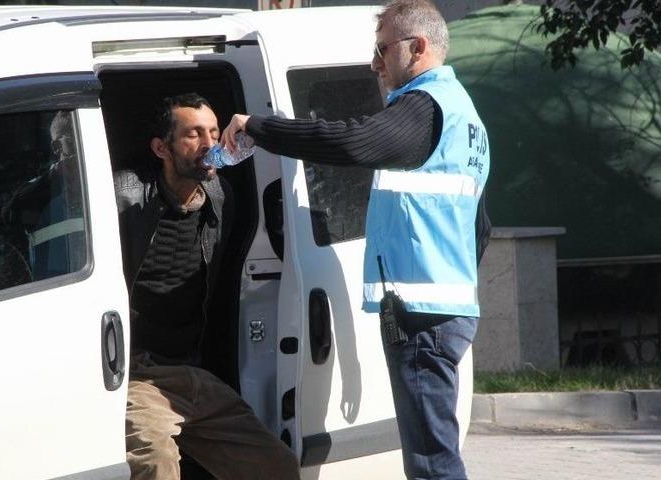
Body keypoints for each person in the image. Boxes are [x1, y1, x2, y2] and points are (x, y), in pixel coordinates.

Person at [220, 1, 490, 478]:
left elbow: (351, 141)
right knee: (433, 455)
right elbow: (479, 227)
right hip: (441, 310)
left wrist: (259, 129)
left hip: (422, 316)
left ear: (418, 47)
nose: (374, 64)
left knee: (433, 463)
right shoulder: (463, 115)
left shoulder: (425, 108)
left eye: (382, 50)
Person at [114, 93, 299, 480]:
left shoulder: (219, 196)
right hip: (140, 376)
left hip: (192, 372)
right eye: (194, 134)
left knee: (276, 466)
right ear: (161, 148)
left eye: (214, 132)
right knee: (156, 464)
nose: (211, 145)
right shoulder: (124, 198)